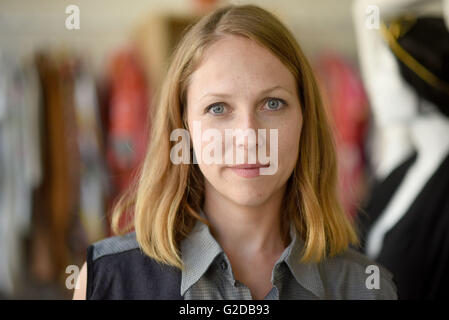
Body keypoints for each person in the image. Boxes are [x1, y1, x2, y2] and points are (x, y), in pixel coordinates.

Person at [73, 4, 397, 300]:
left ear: (304, 120)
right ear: (183, 129)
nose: (248, 136)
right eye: (218, 108)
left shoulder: (367, 288)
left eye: (272, 103)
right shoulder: (106, 282)